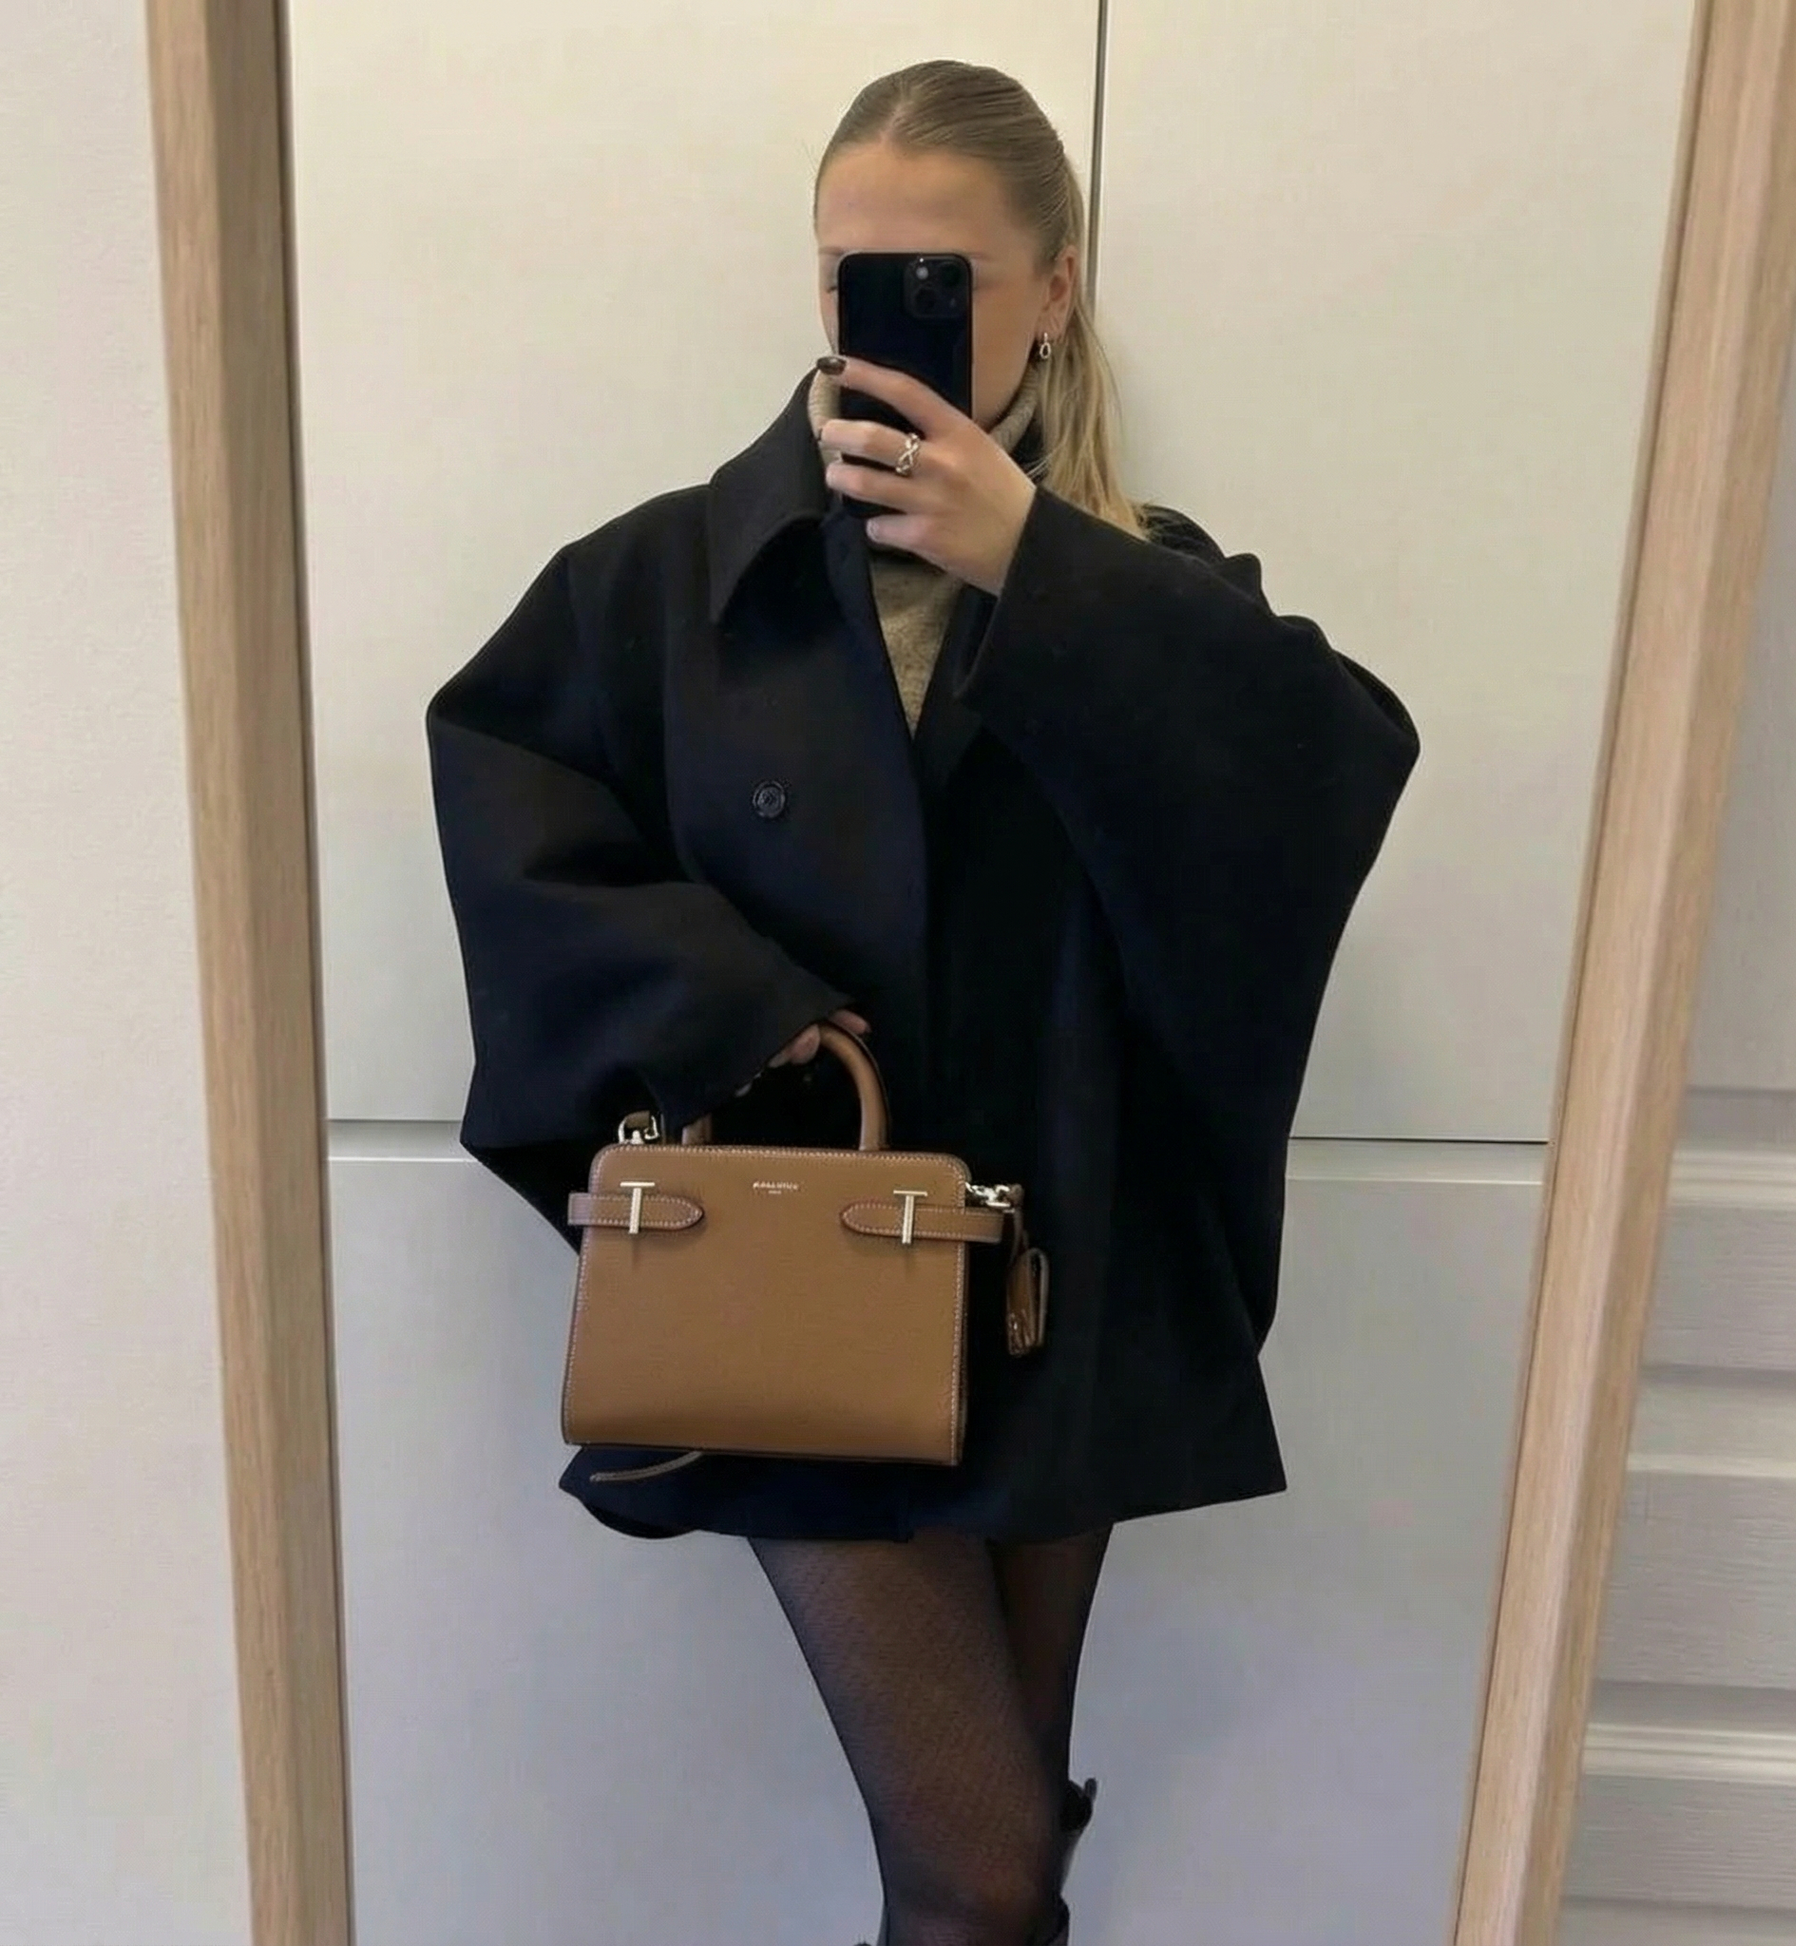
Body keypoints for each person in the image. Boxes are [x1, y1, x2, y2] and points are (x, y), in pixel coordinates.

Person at [426, 58, 1417, 1946]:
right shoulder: (670, 582)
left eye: (940, 279)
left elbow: (1322, 775)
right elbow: (512, 810)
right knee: (979, 1862)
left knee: (998, 1862)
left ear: (1054, 290)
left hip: (1061, 1277)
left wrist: (1037, 565)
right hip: (801, 1274)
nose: (883, 317)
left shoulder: (1144, 583)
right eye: (847, 274)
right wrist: (730, 1005)